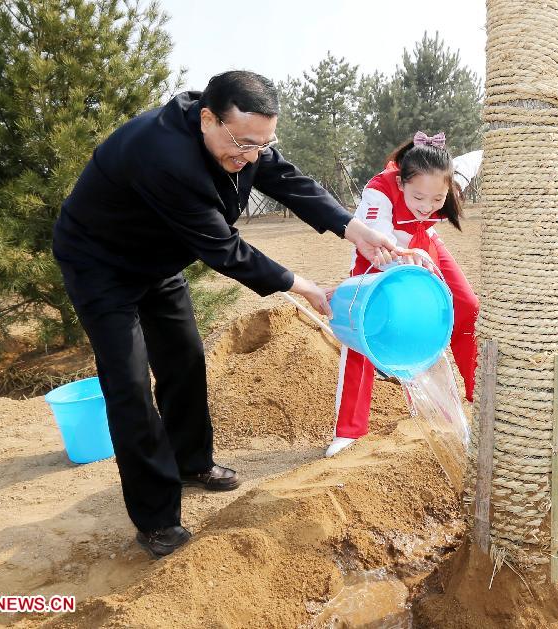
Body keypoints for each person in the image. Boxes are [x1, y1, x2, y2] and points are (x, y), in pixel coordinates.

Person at [52, 71, 398, 557]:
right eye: (241, 143)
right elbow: (225, 250)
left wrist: (352, 228)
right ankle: (155, 519)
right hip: (101, 265)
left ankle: (193, 463)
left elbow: (289, 180)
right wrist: (303, 287)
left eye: (262, 143)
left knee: (185, 360)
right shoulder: (161, 154)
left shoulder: (243, 139)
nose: (251, 156)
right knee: (129, 385)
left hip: (159, 259)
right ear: (207, 118)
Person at [327, 132, 482, 457]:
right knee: (363, 328)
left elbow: (473, 160)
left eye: (437, 200)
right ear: (401, 183)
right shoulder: (379, 192)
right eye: (419, 198)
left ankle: (476, 390)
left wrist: (497, 148)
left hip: (422, 245)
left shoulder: (447, 185)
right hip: (378, 252)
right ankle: (349, 430)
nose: (428, 206)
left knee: (466, 306)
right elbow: (377, 238)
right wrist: (401, 258)